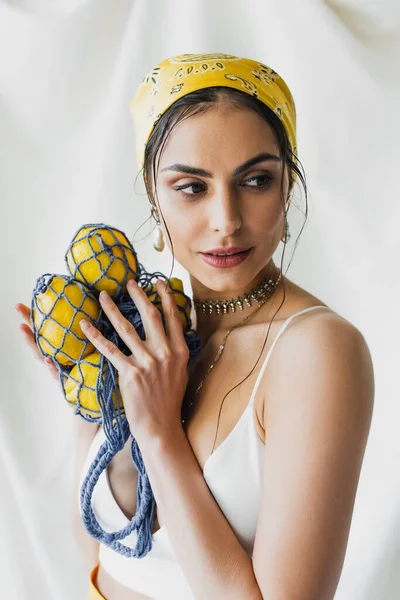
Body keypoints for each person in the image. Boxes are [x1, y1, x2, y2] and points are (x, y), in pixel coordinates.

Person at [15, 53, 375, 600]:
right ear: (154, 194)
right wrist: (92, 398)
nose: (226, 220)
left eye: (255, 180)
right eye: (191, 187)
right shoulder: (154, 336)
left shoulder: (317, 350)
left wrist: (159, 436)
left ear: (287, 187)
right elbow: (106, 553)